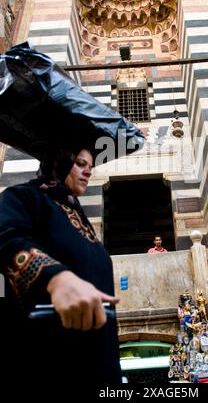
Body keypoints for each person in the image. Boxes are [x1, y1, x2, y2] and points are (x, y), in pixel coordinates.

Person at [0, 147, 122, 395]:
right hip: (49, 367)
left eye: (90, 164)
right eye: (79, 163)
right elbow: (6, 240)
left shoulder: (77, 215)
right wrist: (55, 278)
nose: (88, 170)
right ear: (59, 162)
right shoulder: (25, 198)